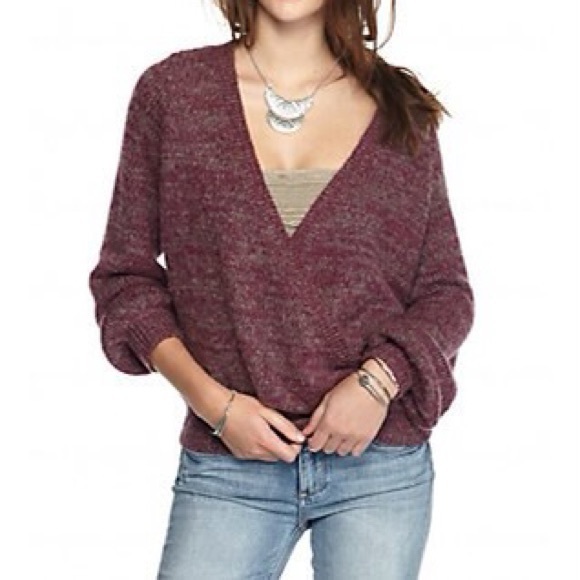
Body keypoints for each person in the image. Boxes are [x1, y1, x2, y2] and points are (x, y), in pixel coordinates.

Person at [88, 0, 475, 578]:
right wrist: (214, 406)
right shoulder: (173, 95)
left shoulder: (399, 108)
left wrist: (378, 381)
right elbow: (125, 280)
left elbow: (446, 293)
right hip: (228, 462)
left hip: (378, 462)